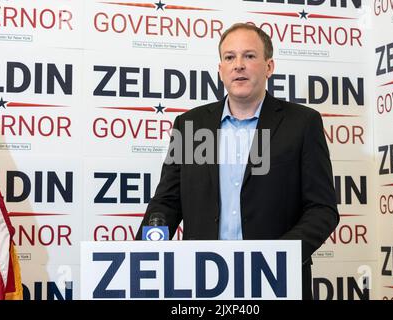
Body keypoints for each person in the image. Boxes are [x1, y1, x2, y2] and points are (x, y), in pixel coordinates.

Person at [136, 23, 339, 300]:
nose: (239, 65)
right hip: (202, 280)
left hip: (276, 280)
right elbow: (167, 202)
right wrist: (139, 257)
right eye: (230, 57)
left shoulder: (302, 123)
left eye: (249, 56)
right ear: (220, 69)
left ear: (269, 67)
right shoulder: (190, 126)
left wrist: (278, 257)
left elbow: (322, 209)